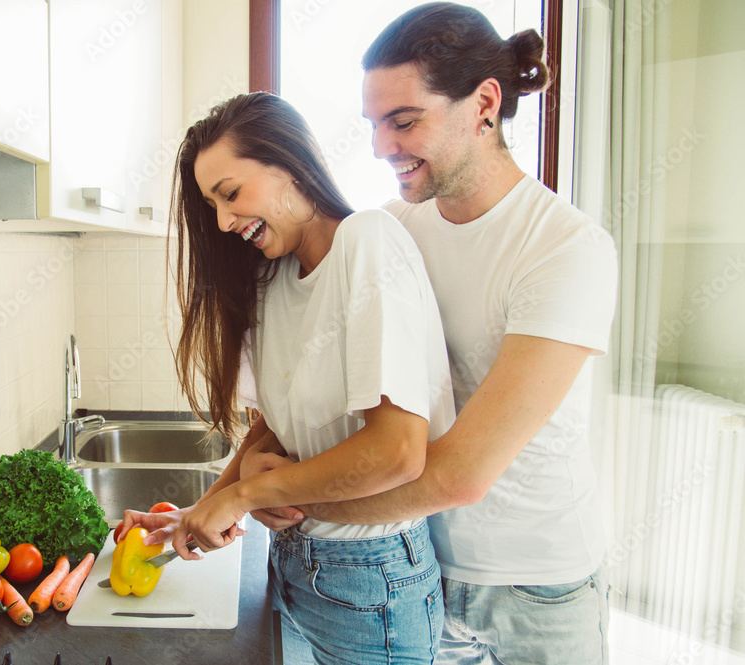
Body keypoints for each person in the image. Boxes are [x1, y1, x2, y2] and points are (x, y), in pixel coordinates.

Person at [237, 3, 619, 664]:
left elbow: (462, 474)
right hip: (423, 570)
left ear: (484, 104)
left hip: (536, 593)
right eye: (374, 124)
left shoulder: (565, 248)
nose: (383, 146)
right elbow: (321, 388)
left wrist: (281, 498)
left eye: (404, 120)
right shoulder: (393, 229)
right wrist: (241, 476)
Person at [120, 91, 456, 664]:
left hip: (373, 582)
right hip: (296, 567)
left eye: (230, 194)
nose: (223, 221)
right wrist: (206, 508)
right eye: (213, 206)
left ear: (289, 163)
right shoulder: (274, 281)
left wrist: (250, 494)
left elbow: (398, 452)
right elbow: (276, 427)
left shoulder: (367, 243)